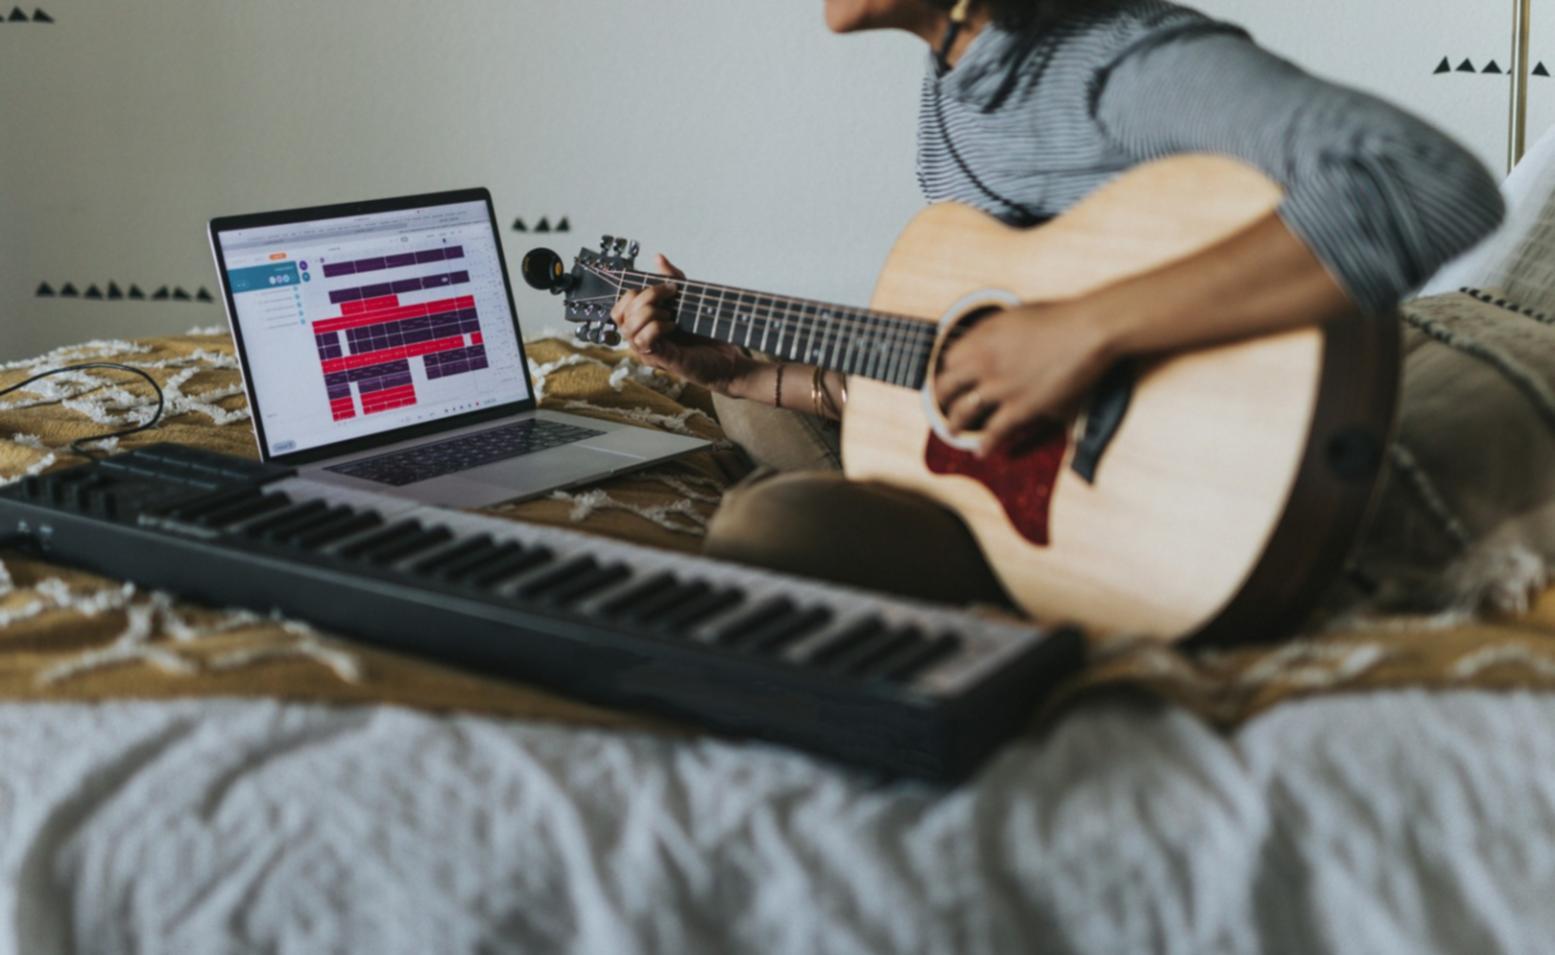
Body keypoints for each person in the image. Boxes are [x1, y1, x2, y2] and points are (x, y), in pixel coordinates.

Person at [609, 0, 1506, 607]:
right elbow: (982, 352)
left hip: (1167, 495)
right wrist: (763, 371)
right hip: (1028, 457)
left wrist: (1081, 332)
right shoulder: (953, 89)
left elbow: (1423, 183)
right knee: (738, 406)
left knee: (766, 526)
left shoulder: (1117, 62)